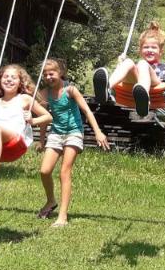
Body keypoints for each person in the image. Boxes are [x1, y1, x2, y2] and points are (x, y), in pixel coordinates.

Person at [35, 59, 110, 226]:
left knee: (64, 172)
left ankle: (63, 216)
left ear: (60, 72)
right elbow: (44, 118)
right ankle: (50, 201)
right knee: (44, 171)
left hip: (73, 133)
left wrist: (98, 132)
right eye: (45, 74)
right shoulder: (45, 94)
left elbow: (87, 111)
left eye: (51, 73)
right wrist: (41, 140)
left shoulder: (70, 90)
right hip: (56, 133)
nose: (48, 77)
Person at [91, 20, 165, 118]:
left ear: (161, 51)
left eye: (153, 48)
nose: (149, 50)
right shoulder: (137, 67)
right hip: (132, 91)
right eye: (146, 47)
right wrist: (119, 65)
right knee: (128, 62)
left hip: (156, 92)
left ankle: (143, 96)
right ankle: (106, 89)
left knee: (142, 64)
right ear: (140, 50)